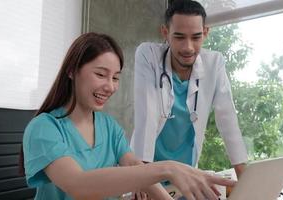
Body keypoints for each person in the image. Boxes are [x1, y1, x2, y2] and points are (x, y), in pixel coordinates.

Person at [20, 32, 234, 200]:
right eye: (101, 74)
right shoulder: (43, 128)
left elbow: (134, 166)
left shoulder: (108, 126)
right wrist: (168, 168)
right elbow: (79, 185)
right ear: (72, 71)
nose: (110, 86)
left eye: (115, 78)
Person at [131, 0, 248, 177]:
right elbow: (146, 116)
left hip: (186, 174)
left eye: (196, 37)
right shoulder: (149, 55)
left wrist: (245, 177)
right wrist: (141, 177)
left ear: (206, 32)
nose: (188, 47)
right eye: (179, 37)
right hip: (148, 169)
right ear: (165, 32)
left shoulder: (214, 63)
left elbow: (227, 118)